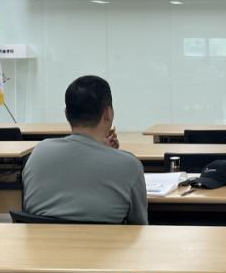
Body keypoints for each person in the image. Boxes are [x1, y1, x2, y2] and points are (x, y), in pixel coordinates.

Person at [22, 75, 147, 224]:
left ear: (66, 114)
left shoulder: (38, 153)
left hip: (44, 239)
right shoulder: (129, 165)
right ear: (108, 113)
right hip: (104, 240)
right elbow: (139, 227)